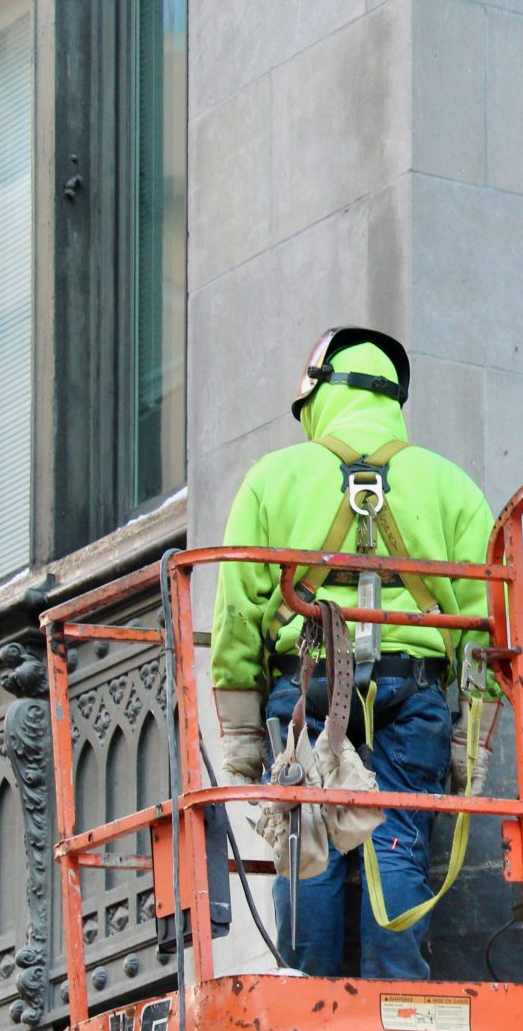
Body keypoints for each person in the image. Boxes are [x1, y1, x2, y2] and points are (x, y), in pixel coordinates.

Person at [210, 328, 494, 979]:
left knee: (308, 844)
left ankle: (307, 993)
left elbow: (237, 615)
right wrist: (471, 744)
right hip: (413, 690)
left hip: (306, 689)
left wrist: (244, 735)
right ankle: (395, 996)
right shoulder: (451, 487)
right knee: (393, 842)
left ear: (318, 397)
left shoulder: (273, 479)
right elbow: (488, 627)